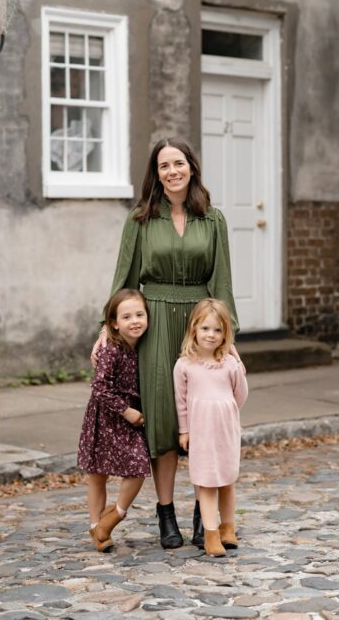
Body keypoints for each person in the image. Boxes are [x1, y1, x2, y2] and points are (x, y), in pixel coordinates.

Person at [93, 138, 240, 549]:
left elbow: (223, 281)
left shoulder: (213, 220)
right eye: (163, 166)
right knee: (162, 421)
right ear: (155, 174)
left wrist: (230, 338)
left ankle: (203, 515)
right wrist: (107, 330)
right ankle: (166, 514)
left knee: (203, 423)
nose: (172, 171)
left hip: (200, 325)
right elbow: (124, 280)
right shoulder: (140, 220)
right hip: (155, 324)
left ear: (191, 167)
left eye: (178, 163)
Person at [77, 289, 152, 552]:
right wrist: (127, 411)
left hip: (126, 419)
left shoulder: (145, 347)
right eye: (127, 316)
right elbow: (99, 388)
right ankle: (97, 529)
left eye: (140, 314)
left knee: (138, 464)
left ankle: (115, 515)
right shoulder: (111, 349)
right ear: (113, 323)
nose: (135, 321)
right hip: (106, 417)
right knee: (98, 475)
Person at [174, 298, 249, 557]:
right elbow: (180, 401)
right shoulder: (184, 365)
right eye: (205, 328)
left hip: (226, 429)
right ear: (194, 328)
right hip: (201, 432)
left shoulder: (229, 364)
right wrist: (184, 430)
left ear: (225, 333)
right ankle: (211, 534)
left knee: (227, 479)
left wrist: (225, 410)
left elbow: (241, 394)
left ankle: (229, 528)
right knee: (206, 482)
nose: (211, 335)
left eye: (217, 330)